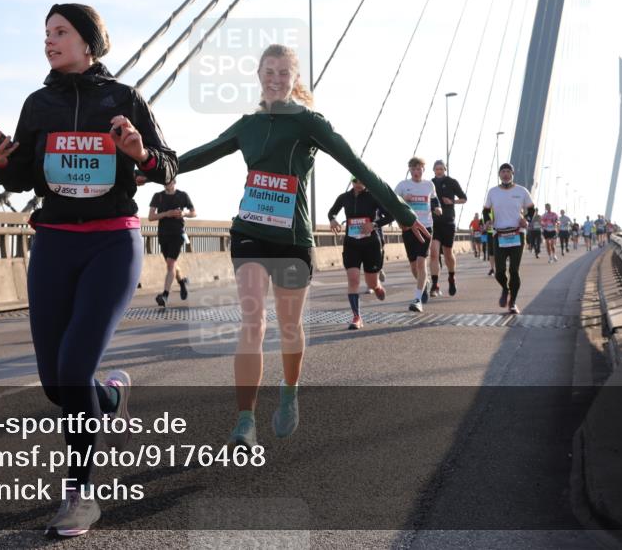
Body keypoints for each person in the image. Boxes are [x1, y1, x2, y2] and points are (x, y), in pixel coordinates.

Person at [0, 3, 177, 537]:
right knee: (55, 384)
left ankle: (80, 494)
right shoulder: (37, 103)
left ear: (89, 41)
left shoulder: (124, 98)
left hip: (111, 244)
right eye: (46, 34)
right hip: (54, 245)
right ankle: (111, 395)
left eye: (61, 32)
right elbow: (22, 177)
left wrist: (141, 154)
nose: (49, 41)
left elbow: (168, 164)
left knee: (72, 371)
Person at [176, 43, 427, 449]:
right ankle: (245, 421)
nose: (275, 78)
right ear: (259, 76)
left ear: (295, 80)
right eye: (269, 71)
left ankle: (289, 392)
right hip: (249, 232)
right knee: (253, 323)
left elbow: (357, 166)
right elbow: (201, 154)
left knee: (290, 326)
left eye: (284, 73)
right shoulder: (247, 125)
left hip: (292, 239)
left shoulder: (310, 123)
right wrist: (151, 166)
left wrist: (402, 212)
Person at [328, 177, 393, 330]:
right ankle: (356, 317)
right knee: (353, 279)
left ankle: (376, 285)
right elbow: (332, 212)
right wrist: (332, 219)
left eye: (362, 180)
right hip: (352, 243)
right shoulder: (344, 197)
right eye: (356, 180)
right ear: (351, 181)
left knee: (371, 283)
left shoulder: (374, 196)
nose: (359, 184)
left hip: (371, 244)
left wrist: (374, 224)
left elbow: (390, 216)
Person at [482, 163, 535, 315]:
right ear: (499, 174)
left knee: (514, 270)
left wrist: (527, 220)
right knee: (499, 272)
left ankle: (513, 302)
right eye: (503, 172)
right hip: (499, 235)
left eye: (508, 172)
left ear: (512, 174)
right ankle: (505, 290)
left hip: (517, 234)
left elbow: (531, 208)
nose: (505, 174)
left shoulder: (521, 191)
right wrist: (487, 221)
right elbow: (485, 210)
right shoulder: (493, 192)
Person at [394, 157, 441, 312]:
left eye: (419, 169)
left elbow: (434, 200)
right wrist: (402, 199)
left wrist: (437, 208)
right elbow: (392, 203)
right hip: (408, 228)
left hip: (426, 226)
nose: (416, 172)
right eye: (413, 169)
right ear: (410, 170)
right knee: (414, 265)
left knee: (421, 262)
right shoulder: (403, 185)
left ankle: (417, 298)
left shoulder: (429, 185)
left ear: (423, 170)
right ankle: (424, 284)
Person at [148, 179, 196, 308]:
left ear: (174, 181)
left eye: (168, 181)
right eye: (164, 181)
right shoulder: (158, 196)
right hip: (163, 235)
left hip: (178, 234)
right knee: (171, 265)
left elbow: (194, 212)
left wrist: (184, 213)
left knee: (170, 264)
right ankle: (182, 283)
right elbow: (151, 217)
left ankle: (165, 295)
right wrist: (166, 214)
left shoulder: (183, 195)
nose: (165, 183)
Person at [429, 160, 467, 297]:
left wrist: (452, 202)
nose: (439, 171)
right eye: (436, 168)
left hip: (448, 222)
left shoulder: (452, 182)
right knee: (433, 254)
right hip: (433, 223)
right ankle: (435, 284)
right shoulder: (429, 184)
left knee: (448, 253)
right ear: (433, 170)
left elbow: (464, 198)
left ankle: (451, 277)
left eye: (441, 168)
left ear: (445, 169)